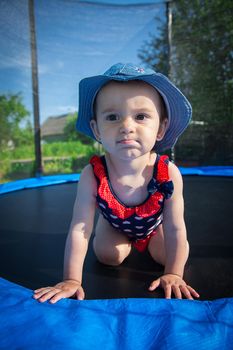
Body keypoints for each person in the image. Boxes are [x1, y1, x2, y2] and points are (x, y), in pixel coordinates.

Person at [33, 63, 199, 303]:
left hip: (154, 227)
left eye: (141, 116)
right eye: (112, 117)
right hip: (115, 225)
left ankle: (154, 247)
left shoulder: (168, 173)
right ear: (96, 129)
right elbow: (80, 228)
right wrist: (71, 279)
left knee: (169, 253)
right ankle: (112, 232)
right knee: (109, 255)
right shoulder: (92, 175)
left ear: (161, 128)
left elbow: (175, 227)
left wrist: (174, 274)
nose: (127, 127)